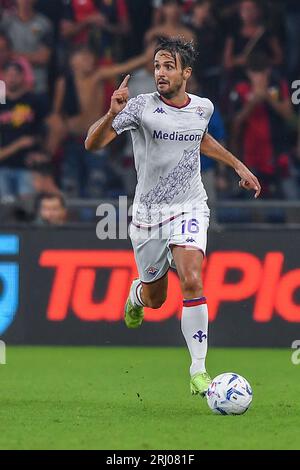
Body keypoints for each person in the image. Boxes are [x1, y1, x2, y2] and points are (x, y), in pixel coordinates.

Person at [85, 37, 261, 397]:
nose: (160, 73)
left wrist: (238, 164)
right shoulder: (138, 107)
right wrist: (111, 114)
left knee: (193, 279)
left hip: (190, 206)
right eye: (156, 66)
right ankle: (137, 294)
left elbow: (200, 139)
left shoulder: (203, 108)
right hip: (148, 216)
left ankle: (199, 371)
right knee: (155, 299)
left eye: (168, 66)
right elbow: (92, 143)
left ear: (186, 72)